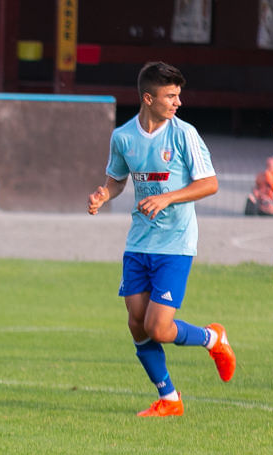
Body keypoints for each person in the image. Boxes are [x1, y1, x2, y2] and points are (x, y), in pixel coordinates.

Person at [86, 61, 236, 418]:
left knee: (159, 327)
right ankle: (169, 398)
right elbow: (117, 179)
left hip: (175, 243)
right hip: (138, 243)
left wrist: (167, 197)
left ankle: (212, 339)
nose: (178, 102)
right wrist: (104, 195)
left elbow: (210, 183)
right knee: (136, 323)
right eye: (171, 96)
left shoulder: (184, 134)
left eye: (179, 95)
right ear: (148, 98)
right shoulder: (123, 136)